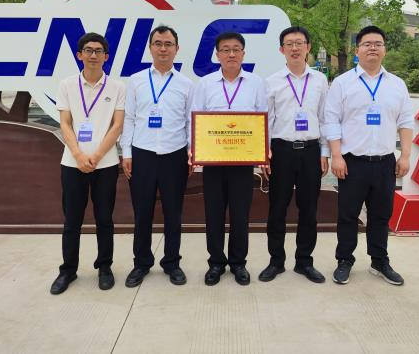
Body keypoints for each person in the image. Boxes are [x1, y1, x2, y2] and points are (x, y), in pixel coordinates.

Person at [324, 25, 413, 286]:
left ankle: (379, 261)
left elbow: (406, 121)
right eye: (367, 44)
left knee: (381, 215)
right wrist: (336, 156)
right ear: (357, 50)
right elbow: (331, 120)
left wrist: (405, 156)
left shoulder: (396, 84)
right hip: (352, 162)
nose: (373, 48)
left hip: (385, 162)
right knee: (348, 215)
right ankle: (344, 260)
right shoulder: (343, 83)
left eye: (378, 43)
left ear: (384, 49)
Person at [50, 32, 125, 295]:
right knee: (72, 220)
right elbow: (65, 123)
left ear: (106, 56)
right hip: (73, 164)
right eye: (88, 50)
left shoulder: (117, 87)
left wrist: (97, 155)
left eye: (98, 51)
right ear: (79, 55)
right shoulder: (67, 85)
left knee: (104, 219)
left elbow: (117, 125)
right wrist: (79, 155)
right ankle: (68, 270)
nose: (93, 55)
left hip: (105, 164)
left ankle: (104, 267)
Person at [191, 31, 268, 286]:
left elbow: (263, 118)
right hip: (213, 161)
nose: (231, 54)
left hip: (243, 162)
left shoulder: (256, 83)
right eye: (226, 49)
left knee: (240, 213)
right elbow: (195, 118)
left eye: (236, 49)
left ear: (243, 54)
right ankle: (215, 263)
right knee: (213, 213)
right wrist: (194, 151)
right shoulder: (205, 84)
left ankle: (238, 263)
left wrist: (264, 153)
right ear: (217, 54)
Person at [120, 25, 193, 287]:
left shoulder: (186, 84)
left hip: (175, 156)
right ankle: (141, 263)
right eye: (158, 43)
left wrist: (191, 153)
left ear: (177, 48)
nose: (163, 48)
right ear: (150, 48)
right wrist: (126, 152)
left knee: (174, 213)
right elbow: (129, 119)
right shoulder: (136, 80)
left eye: (168, 44)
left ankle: (172, 263)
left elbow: (190, 122)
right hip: (142, 155)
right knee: (142, 213)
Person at [259, 26, 329, 284]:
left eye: (300, 43)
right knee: (277, 208)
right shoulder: (272, 81)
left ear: (308, 47)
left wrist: (324, 152)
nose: (295, 48)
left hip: (310, 151)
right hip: (281, 152)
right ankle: (276, 261)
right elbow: (266, 120)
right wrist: (264, 154)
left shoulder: (320, 80)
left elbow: (324, 118)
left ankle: (304, 262)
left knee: (308, 209)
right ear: (282, 49)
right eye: (289, 44)